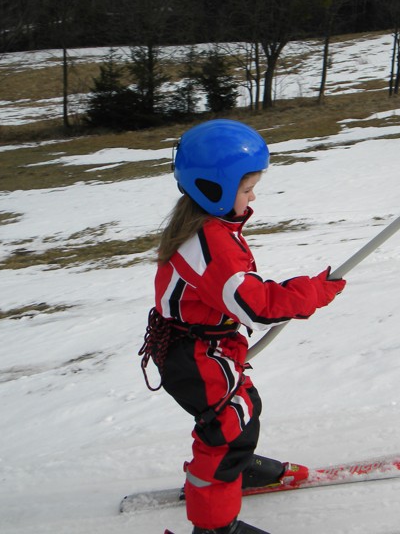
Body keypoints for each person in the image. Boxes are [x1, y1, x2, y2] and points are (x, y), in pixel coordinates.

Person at [139, 119, 346, 534]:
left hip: (203, 347)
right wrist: (314, 292)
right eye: (247, 188)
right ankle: (215, 525)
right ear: (213, 188)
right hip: (194, 356)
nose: (253, 198)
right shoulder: (209, 245)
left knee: (244, 410)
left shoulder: (206, 227)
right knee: (223, 431)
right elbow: (257, 304)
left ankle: (239, 464)